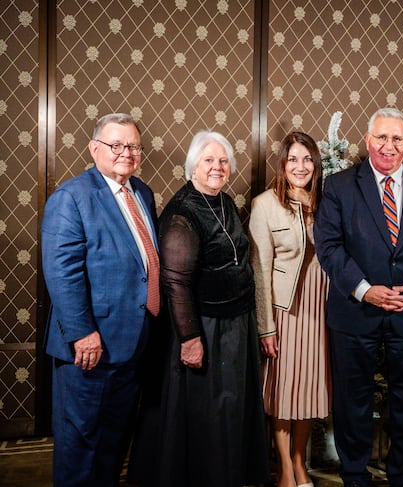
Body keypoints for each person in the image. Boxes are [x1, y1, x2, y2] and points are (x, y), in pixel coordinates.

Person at [314, 107, 403, 487]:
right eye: (381, 137)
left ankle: (402, 476)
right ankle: (354, 476)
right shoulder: (339, 186)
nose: (388, 146)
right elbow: (329, 246)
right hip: (355, 312)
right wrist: (364, 290)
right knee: (352, 404)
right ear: (368, 140)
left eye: (397, 138)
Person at [41, 113, 159, 486]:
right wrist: (82, 333)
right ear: (94, 149)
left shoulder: (142, 193)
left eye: (133, 146)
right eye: (116, 145)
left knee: (113, 446)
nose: (126, 153)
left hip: (131, 344)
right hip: (89, 348)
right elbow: (62, 272)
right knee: (81, 449)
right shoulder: (71, 197)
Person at [155, 131, 270, 486]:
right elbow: (176, 283)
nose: (217, 167)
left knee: (231, 410)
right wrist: (190, 339)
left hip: (235, 322)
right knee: (211, 411)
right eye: (208, 160)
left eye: (223, 160)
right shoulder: (182, 213)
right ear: (193, 166)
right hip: (205, 327)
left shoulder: (224, 201)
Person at [250, 132, 331, 487]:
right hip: (286, 308)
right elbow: (259, 269)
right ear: (282, 164)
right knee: (283, 391)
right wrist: (266, 326)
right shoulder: (265, 204)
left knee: (308, 388)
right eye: (293, 159)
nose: (301, 166)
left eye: (308, 159)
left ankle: (300, 461)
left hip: (320, 309)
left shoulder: (326, 203)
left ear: (316, 164)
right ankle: (284, 466)